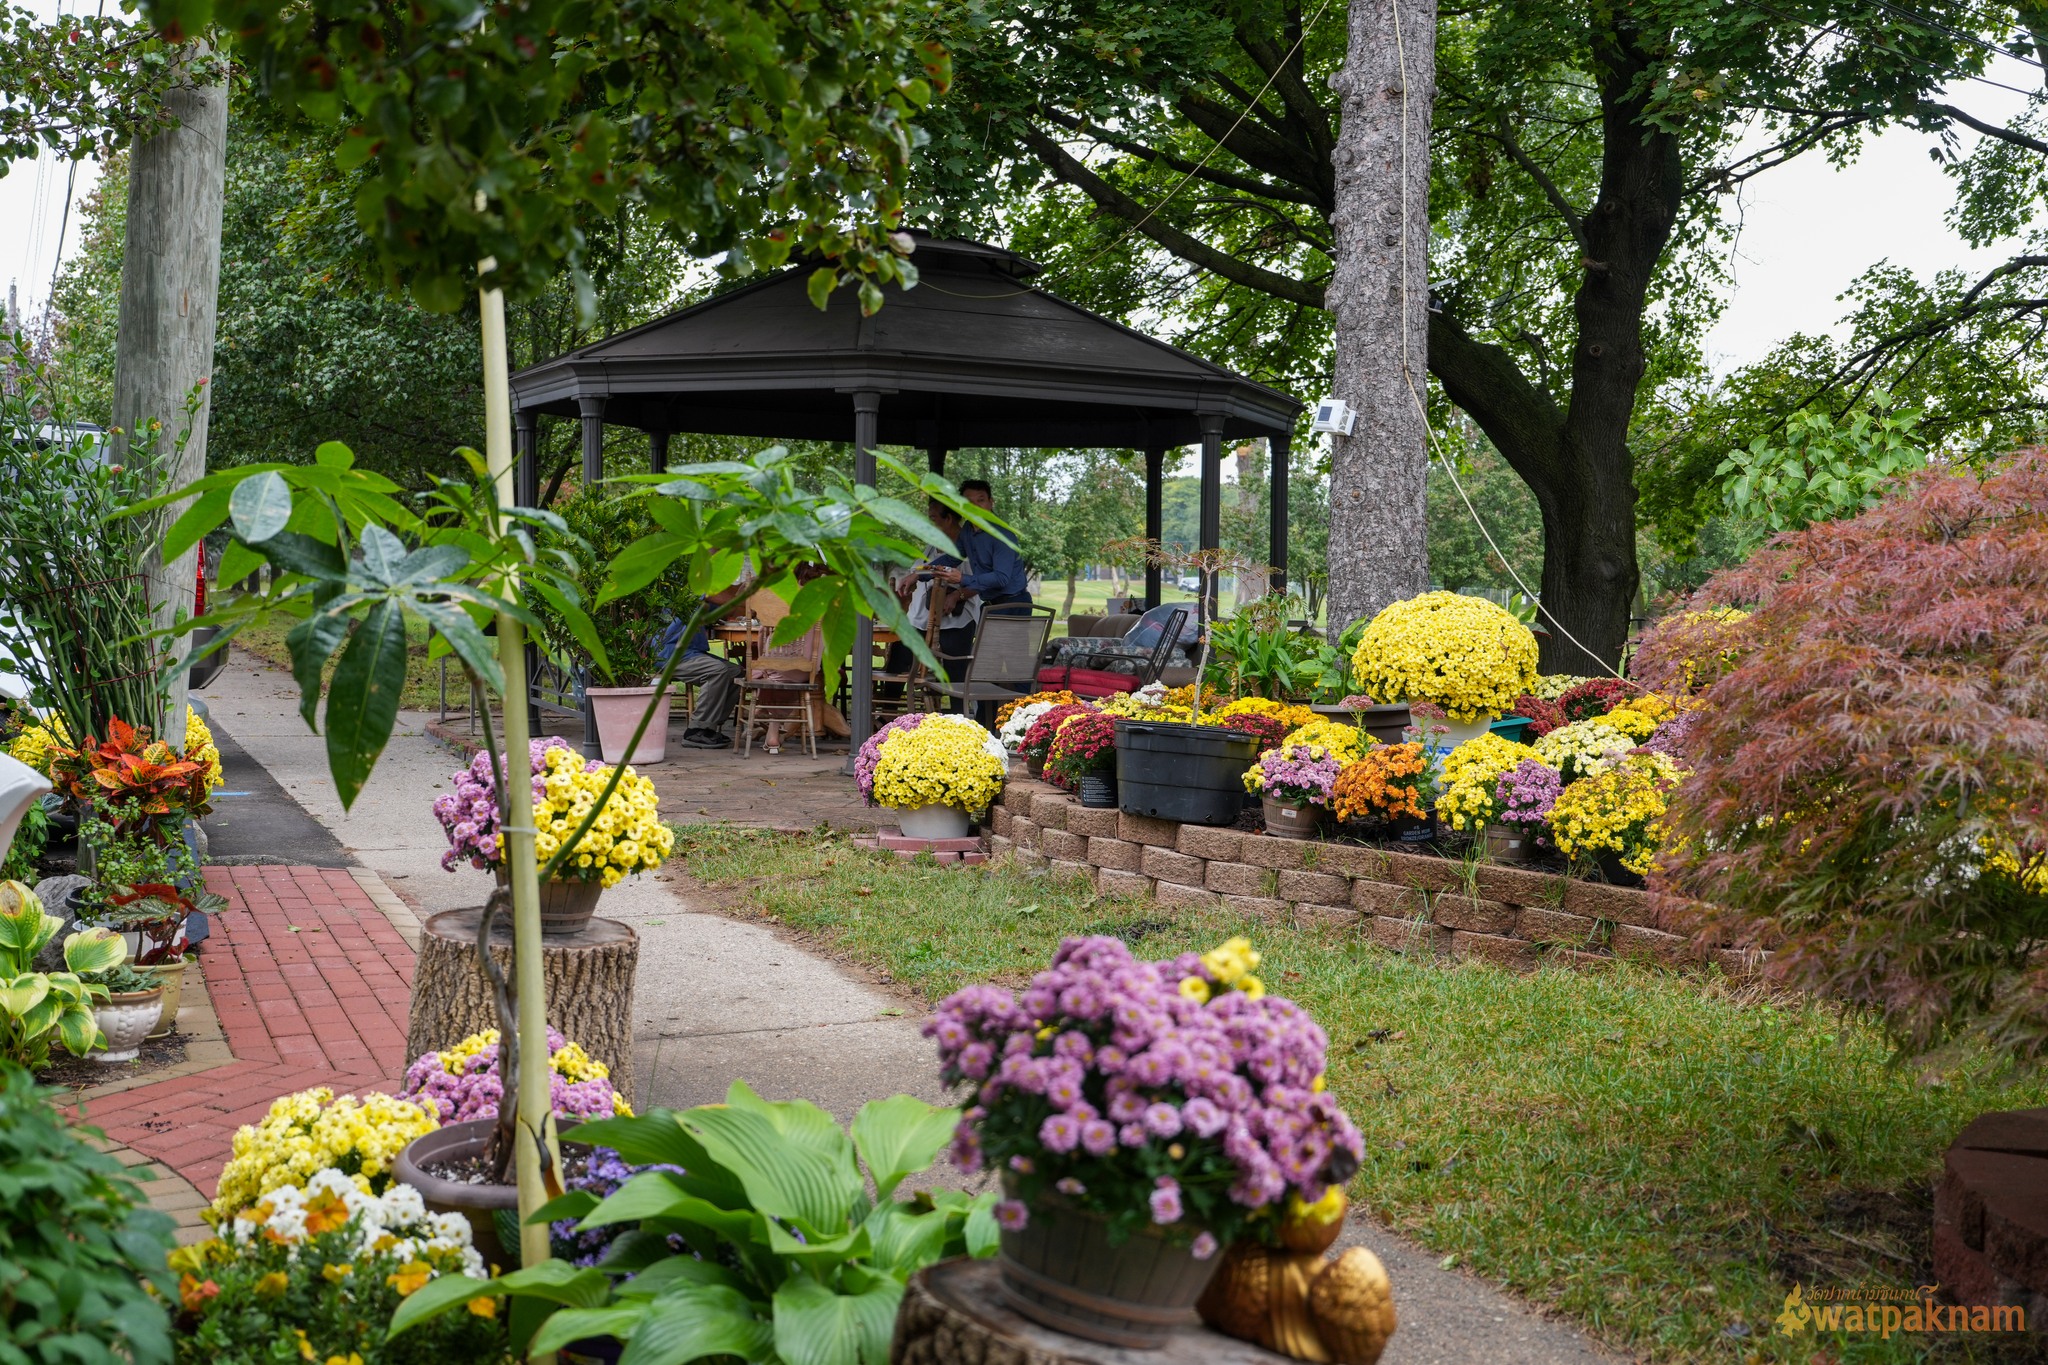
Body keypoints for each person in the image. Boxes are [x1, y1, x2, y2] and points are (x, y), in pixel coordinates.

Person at [656, 580, 751, 748]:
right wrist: (747, 597)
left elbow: (725, 610)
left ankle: (709, 727)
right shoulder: (681, 581)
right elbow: (717, 595)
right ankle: (696, 731)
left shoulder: (705, 597)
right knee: (717, 671)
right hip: (669, 653)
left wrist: (743, 602)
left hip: (690, 652)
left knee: (736, 672)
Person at [936, 479, 1032, 615]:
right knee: (983, 637)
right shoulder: (967, 530)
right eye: (968, 502)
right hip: (990, 605)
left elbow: (1001, 578)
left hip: (1013, 605)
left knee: (995, 637)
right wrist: (918, 574)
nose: (975, 506)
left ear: (991, 502)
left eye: (980, 500)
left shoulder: (1001, 534)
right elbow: (953, 558)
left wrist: (962, 578)